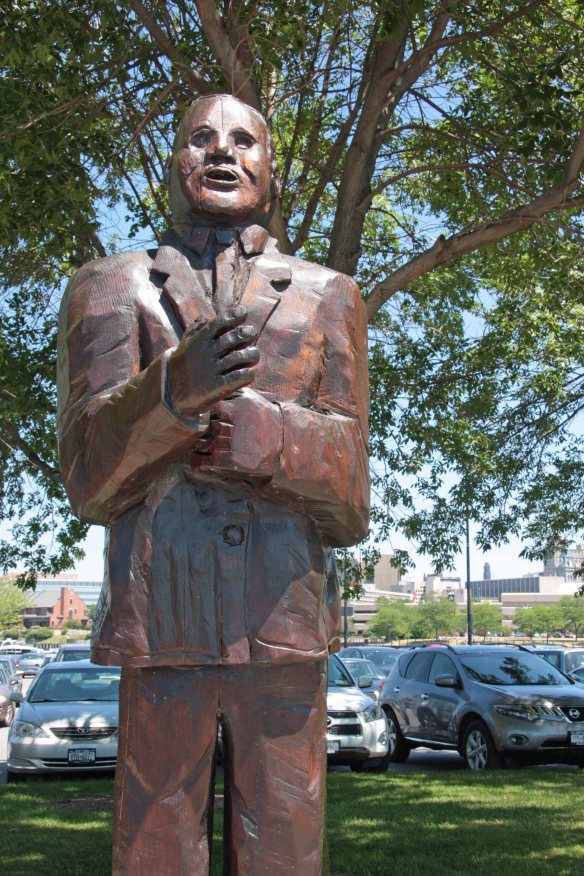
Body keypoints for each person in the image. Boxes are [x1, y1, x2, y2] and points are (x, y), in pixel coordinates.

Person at [57, 93, 369, 875]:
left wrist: (269, 437)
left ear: (271, 168)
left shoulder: (329, 295)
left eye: (242, 140)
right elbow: (88, 477)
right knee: (155, 846)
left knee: (286, 850)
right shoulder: (108, 286)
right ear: (174, 164)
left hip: (284, 623)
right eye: (200, 138)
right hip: (163, 621)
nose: (222, 151)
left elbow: (354, 497)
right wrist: (171, 392)